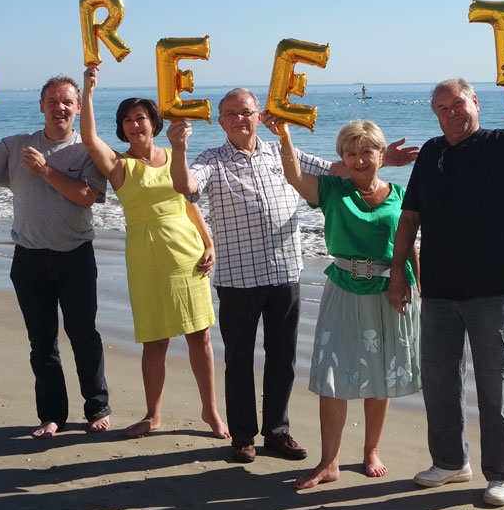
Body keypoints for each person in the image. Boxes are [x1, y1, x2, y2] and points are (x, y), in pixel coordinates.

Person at [166, 88, 418, 464]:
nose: (239, 118)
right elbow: (186, 186)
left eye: (246, 112)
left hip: (284, 271)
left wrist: (381, 161)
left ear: (257, 115)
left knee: (282, 357)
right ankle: (242, 436)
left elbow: (331, 169)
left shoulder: (276, 151)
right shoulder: (210, 159)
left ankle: (277, 432)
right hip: (238, 277)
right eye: (231, 113)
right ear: (220, 121)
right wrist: (180, 149)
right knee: (238, 359)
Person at [388, 53, 504, 507]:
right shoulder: (431, 152)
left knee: (495, 383)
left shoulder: (499, 144)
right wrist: (398, 274)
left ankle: (502, 473)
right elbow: (410, 218)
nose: (450, 113)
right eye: (441, 108)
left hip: (493, 291)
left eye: (457, 104)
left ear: (475, 103)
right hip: (440, 291)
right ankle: (450, 462)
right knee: (440, 381)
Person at [0, 76, 111, 439]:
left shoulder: (88, 150)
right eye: (52, 101)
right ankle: (52, 415)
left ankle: (97, 406)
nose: (60, 108)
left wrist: (46, 171)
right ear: (41, 106)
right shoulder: (18, 146)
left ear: (78, 108)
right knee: (42, 342)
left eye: (67, 102)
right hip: (30, 258)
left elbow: (87, 196)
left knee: (84, 335)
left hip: (75, 256)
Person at [78, 65, 228, 439]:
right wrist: (88, 91)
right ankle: (153, 415)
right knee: (154, 340)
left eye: (140, 118)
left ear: (153, 122)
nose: (134, 125)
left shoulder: (173, 153)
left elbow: (190, 202)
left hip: (186, 253)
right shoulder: (119, 165)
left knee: (201, 337)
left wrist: (210, 243)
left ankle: (211, 412)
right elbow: (88, 136)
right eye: (127, 120)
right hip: (146, 257)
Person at [275, 118, 421, 489]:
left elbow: (408, 245)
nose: (359, 160)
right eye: (351, 153)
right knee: (332, 378)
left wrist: (422, 290)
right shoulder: (331, 190)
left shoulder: (400, 194)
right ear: (341, 157)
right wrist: (285, 136)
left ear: (380, 154)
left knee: (381, 377)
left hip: (390, 291)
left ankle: (371, 451)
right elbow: (293, 176)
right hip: (343, 289)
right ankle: (329, 462)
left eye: (366, 152)